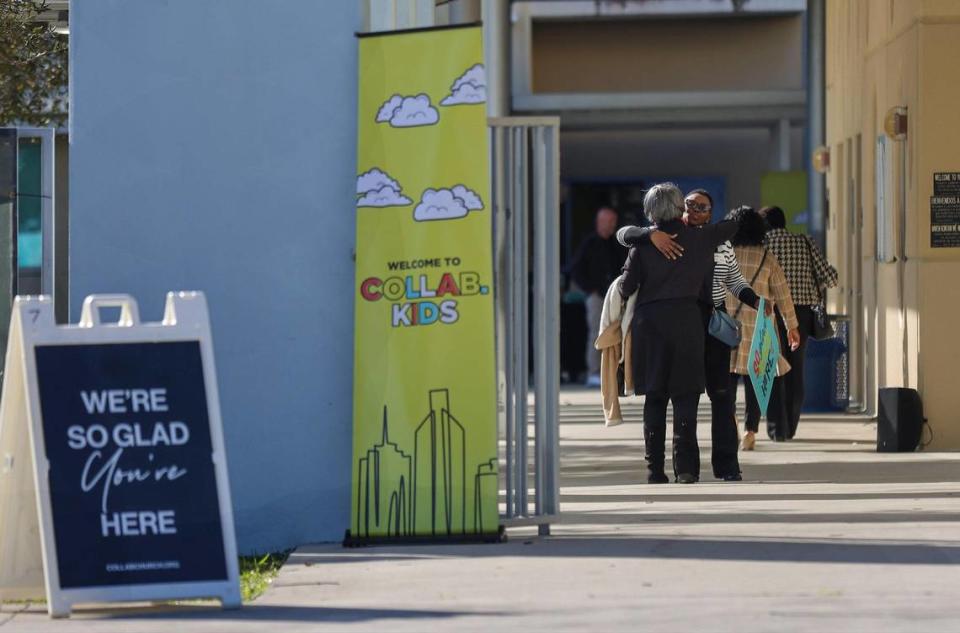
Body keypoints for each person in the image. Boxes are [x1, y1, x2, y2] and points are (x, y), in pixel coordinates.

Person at [617, 189, 765, 481]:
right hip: (688, 325)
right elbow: (734, 225)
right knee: (686, 399)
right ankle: (686, 470)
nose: (696, 210)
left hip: (662, 327)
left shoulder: (651, 246)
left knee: (661, 398)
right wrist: (649, 234)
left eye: (703, 207)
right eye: (690, 205)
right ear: (678, 208)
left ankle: (658, 470)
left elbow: (625, 287)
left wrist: (649, 236)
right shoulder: (700, 240)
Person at [724, 206, 801, 449]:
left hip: (726, 328)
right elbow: (783, 294)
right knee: (755, 381)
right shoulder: (767, 257)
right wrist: (791, 326)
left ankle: (730, 422)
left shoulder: (722, 255)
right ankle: (750, 430)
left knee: (726, 380)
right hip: (759, 328)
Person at [759, 206, 838, 439]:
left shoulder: (761, 246)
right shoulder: (804, 242)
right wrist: (808, 285)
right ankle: (790, 427)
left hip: (769, 313)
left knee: (772, 369)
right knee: (795, 371)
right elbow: (831, 277)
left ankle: (776, 429)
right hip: (801, 315)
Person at [569, 207, 624, 387]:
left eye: (613, 221)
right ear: (599, 222)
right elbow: (575, 270)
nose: (612, 225)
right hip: (596, 296)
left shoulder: (616, 243)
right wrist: (589, 289)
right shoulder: (590, 243)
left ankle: (615, 371)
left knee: (617, 333)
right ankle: (594, 372)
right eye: (609, 221)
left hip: (616, 296)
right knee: (596, 332)